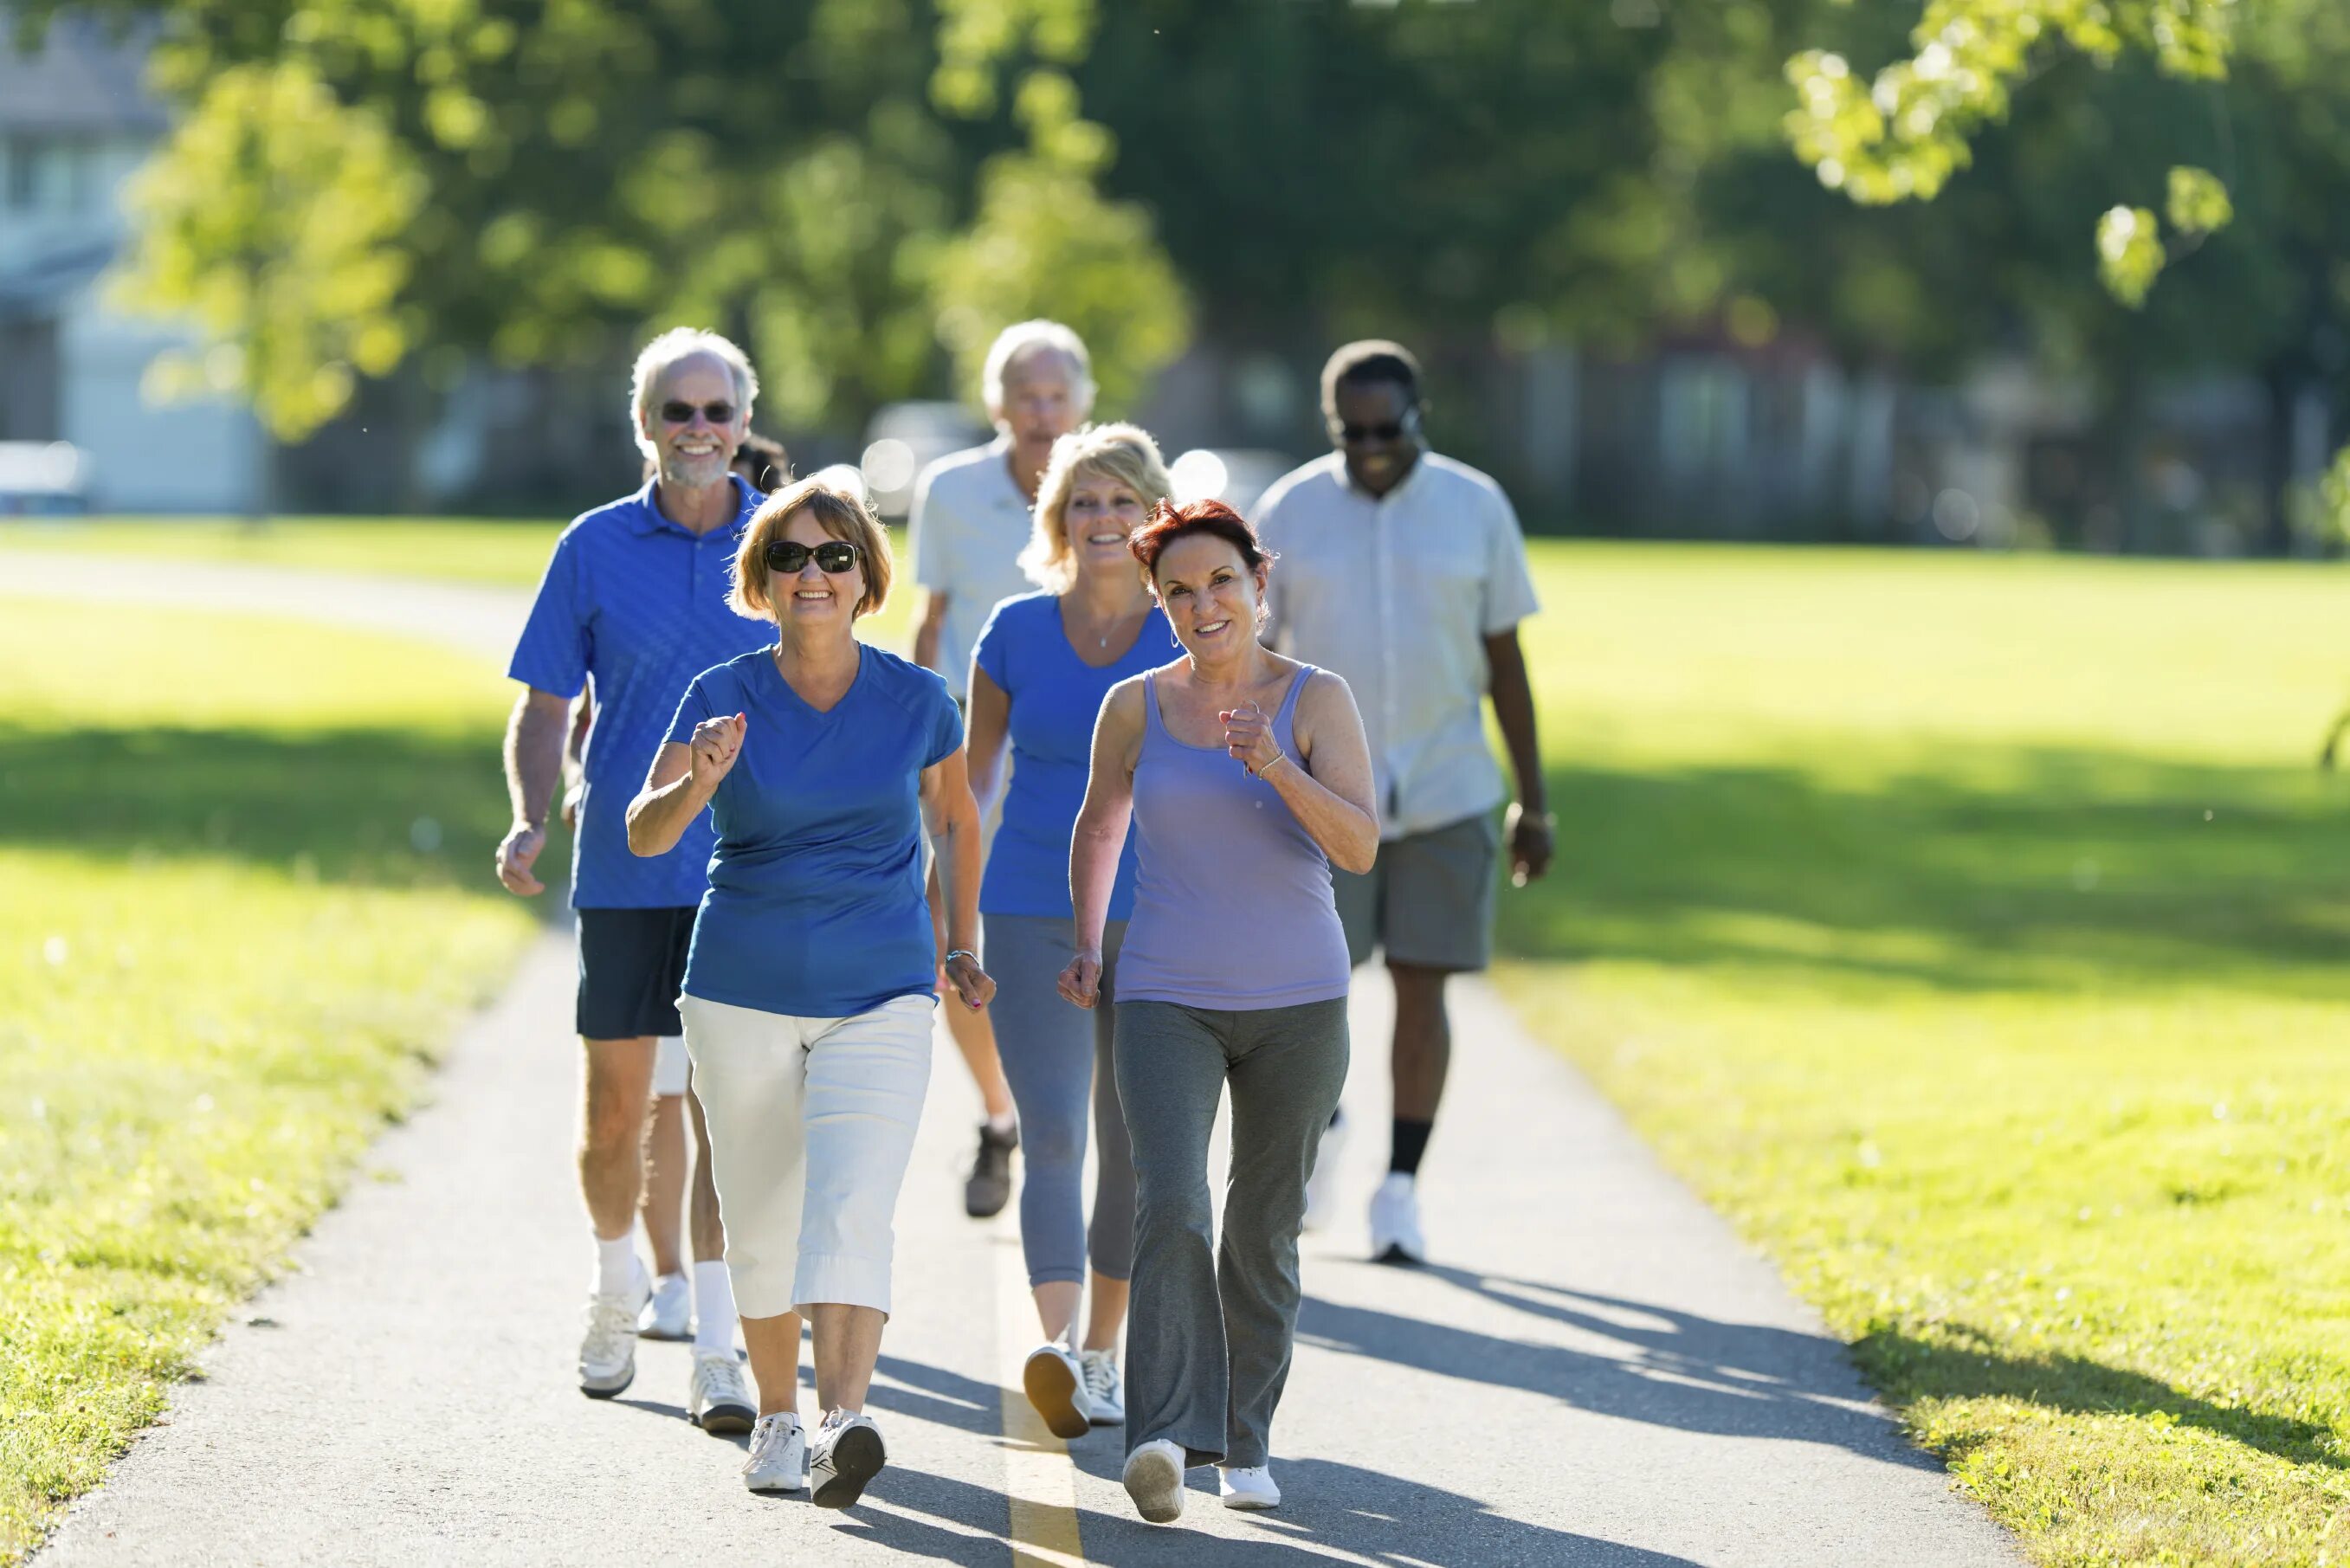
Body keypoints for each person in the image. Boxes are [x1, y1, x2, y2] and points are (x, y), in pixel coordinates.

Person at [626, 476, 994, 1506]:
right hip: (738, 990)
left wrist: (957, 939)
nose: (813, 575)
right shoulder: (718, 693)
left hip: (879, 990)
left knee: (851, 1203)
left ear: (867, 577)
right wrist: (697, 779)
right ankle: (777, 1419)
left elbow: (959, 820)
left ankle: (846, 1419)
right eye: (790, 557)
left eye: (835, 556)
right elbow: (641, 830)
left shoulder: (918, 698)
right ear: (762, 580)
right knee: (759, 1215)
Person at [1060, 498, 1378, 1522]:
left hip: (1298, 1002)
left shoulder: (1317, 698)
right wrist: (1083, 939)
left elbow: (1358, 846)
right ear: (1160, 606)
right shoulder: (1134, 706)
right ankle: (1158, 1435)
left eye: (1220, 583)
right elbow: (1099, 826)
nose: (1203, 605)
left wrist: (1273, 763)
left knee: (1262, 1226)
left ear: (1258, 584)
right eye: (1178, 592)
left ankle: (1245, 1440)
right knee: (1171, 1203)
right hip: (1164, 991)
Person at [497, 327, 766, 1429]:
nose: (698, 430)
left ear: (744, 423)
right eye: (676, 412)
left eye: (716, 412)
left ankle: (717, 1342)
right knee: (616, 1113)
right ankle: (616, 1290)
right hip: (622, 868)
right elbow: (544, 702)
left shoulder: (790, 544)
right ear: (644, 425)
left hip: (750, 875)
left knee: (723, 1113)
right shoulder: (594, 545)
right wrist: (528, 814)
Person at [1253, 339, 1551, 1266]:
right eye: (1354, 431)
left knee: (1424, 988)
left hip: (1447, 786)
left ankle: (1400, 1188)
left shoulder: (1474, 505)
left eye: (1390, 429)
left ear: (1419, 416)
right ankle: (1324, 1126)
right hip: (1323, 793)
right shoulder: (1290, 509)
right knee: (1313, 991)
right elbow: (1256, 658)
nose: (1373, 446)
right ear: (1331, 423)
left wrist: (1532, 803)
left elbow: (1506, 661)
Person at [965, 423, 1174, 1438]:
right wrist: (943, 899)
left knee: (1129, 1142)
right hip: (1028, 908)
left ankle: (1102, 1350)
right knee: (1049, 1130)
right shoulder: (1010, 629)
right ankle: (1055, 1349)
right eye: (1083, 502)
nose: (1102, 519)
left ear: (1153, 516)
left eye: (1121, 500)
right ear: (1057, 519)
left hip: (1162, 913)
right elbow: (969, 784)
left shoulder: (1188, 631)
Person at [907, 319, 1096, 1217]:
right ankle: (999, 1115)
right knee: (957, 944)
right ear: (997, 405)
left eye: (1057, 395)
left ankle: (1070, 1125)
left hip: (1083, 756)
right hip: (966, 752)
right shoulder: (948, 490)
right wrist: (912, 733)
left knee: (1087, 937)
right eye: (1026, 395)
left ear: (1083, 402)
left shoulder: (1115, 491)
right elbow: (931, 620)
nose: (1042, 412)